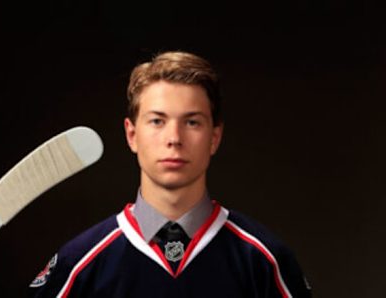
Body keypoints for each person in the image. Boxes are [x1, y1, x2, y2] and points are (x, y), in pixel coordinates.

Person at [28, 51, 312, 297]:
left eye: (191, 122)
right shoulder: (78, 264)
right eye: (157, 121)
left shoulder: (264, 260)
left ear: (215, 137)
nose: (174, 138)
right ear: (131, 134)